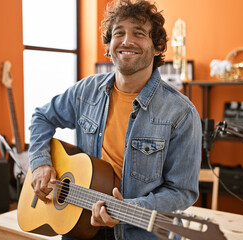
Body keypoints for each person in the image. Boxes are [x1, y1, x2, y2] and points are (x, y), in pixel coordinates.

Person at [28, 0, 202, 239]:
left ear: (157, 46)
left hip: (138, 233)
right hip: (76, 225)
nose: (127, 41)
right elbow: (41, 117)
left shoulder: (181, 113)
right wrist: (40, 163)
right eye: (119, 33)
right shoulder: (85, 91)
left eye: (139, 34)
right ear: (109, 45)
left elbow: (181, 193)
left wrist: (127, 210)